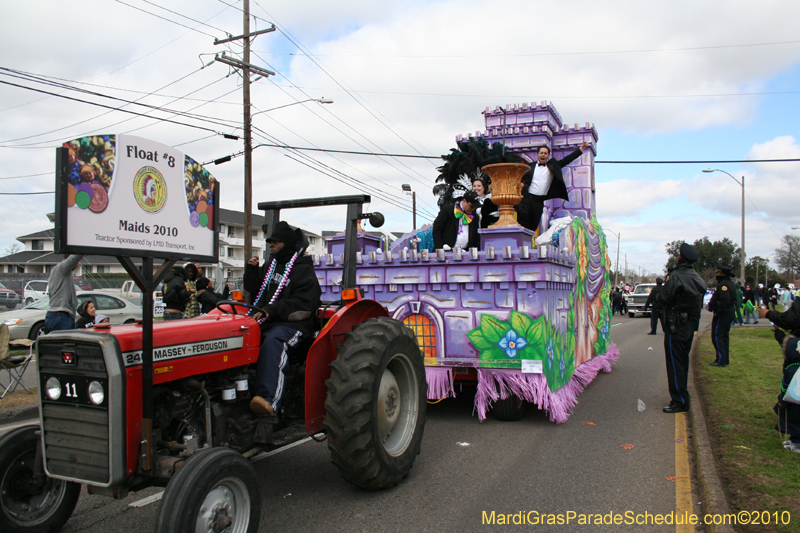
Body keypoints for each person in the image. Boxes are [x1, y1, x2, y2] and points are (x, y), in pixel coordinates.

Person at [244, 221, 321, 417]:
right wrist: (251, 272)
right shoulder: (271, 267)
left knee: (274, 341)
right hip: (268, 321)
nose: (271, 244)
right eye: (270, 241)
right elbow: (256, 292)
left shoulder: (303, 270)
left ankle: (268, 402)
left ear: (286, 243)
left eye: (275, 241)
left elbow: (304, 304)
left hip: (294, 324)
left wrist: (272, 309)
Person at [657, 243, 706, 413]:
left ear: (680, 258)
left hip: (676, 324)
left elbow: (664, 297)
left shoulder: (676, 276)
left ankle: (679, 400)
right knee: (683, 361)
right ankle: (683, 395)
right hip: (690, 323)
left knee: (675, 362)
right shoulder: (696, 277)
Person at [516, 142, 590, 233]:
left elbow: (566, 160)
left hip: (539, 201)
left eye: (545, 153)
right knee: (523, 222)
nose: (543, 155)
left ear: (548, 155)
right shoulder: (530, 166)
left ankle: (527, 243)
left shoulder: (553, 166)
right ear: (538, 154)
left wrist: (580, 149)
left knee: (533, 224)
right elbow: (519, 177)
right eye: (541, 153)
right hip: (527, 198)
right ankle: (519, 243)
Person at [44, 254, 84, 333]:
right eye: (77, 262)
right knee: (62, 344)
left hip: (63, 316)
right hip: (60, 316)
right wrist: (83, 247)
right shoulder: (61, 269)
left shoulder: (64, 274)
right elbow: (75, 257)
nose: (77, 264)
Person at [708, 265, 736, 367]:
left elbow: (725, 300)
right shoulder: (730, 284)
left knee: (718, 335)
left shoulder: (723, 285)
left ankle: (720, 359)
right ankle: (724, 359)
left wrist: (718, 312)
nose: (717, 275)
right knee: (724, 336)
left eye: (719, 273)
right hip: (728, 311)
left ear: (723, 274)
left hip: (724, 312)